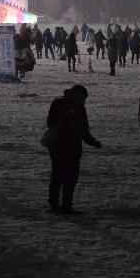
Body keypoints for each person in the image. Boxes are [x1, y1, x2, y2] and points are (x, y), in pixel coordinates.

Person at [45, 85, 101, 215]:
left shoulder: (57, 102)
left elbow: (50, 122)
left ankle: (54, 205)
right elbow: (82, 130)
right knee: (70, 177)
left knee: (56, 176)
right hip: (72, 147)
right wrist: (93, 142)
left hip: (56, 146)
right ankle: (66, 205)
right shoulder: (79, 109)